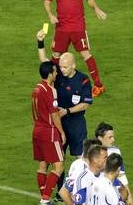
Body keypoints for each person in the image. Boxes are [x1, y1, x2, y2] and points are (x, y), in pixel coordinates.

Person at [44, 0, 107, 97]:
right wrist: (50, 15)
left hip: (78, 27)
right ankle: (53, 83)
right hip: (61, 27)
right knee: (56, 55)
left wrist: (96, 9)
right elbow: (47, 1)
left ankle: (98, 85)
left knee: (85, 54)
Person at [36, 30, 93, 160]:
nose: (62, 70)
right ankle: (60, 181)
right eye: (60, 67)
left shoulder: (83, 80)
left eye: (65, 67)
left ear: (73, 65)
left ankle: (79, 180)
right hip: (58, 123)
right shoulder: (58, 75)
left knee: (81, 157)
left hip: (76, 124)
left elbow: (85, 104)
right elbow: (44, 61)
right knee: (58, 158)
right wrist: (40, 41)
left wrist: (67, 111)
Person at [32, 61, 65, 205]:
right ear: (50, 73)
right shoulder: (50, 90)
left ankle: (43, 199)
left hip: (37, 130)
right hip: (49, 132)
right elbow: (54, 114)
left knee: (42, 166)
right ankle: (45, 200)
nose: (57, 73)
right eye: (55, 71)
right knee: (58, 166)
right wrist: (62, 132)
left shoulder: (36, 89)